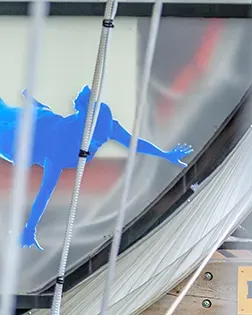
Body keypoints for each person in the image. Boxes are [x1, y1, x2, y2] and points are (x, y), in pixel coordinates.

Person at [0, 85, 192, 250]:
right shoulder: (86, 126)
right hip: (31, 124)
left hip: (20, 135)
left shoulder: (72, 142)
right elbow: (134, 143)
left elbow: (45, 191)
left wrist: (30, 228)